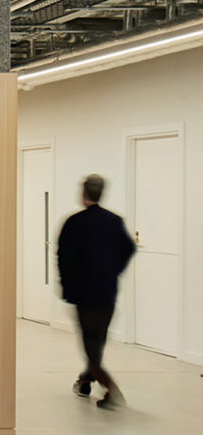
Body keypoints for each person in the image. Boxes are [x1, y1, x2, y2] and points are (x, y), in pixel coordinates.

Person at [57, 174, 136, 410]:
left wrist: (66, 285)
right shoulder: (114, 221)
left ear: (83, 194)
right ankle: (84, 380)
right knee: (97, 341)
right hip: (106, 292)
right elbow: (129, 247)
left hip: (84, 294)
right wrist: (114, 271)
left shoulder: (74, 222)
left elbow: (64, 259)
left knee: (91, 345)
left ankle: (112, 390)